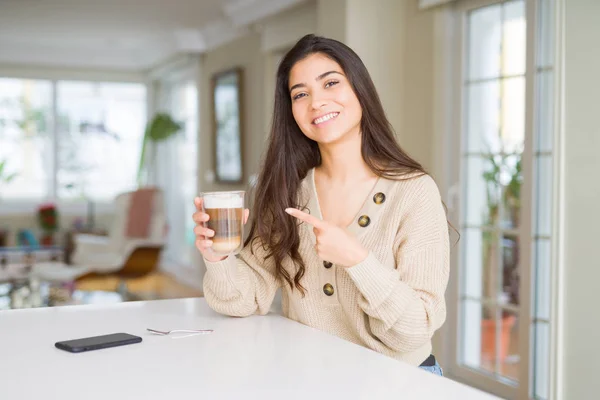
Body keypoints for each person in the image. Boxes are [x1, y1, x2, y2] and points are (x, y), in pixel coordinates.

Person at [193, 34, 449, 376]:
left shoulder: (414, 192)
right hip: (312, 380)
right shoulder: (289, 193)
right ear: (292, 112)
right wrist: (218, 256)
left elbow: (416, 330)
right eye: (301, 94)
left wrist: (356, 259)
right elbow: (243, 300)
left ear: (360, 90)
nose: (316, 102)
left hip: (401, 383)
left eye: (331, 83)